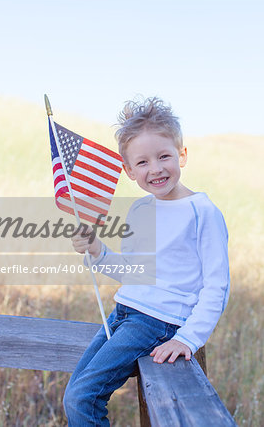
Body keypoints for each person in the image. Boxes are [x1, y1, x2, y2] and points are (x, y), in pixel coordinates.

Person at [63, 97, 230, 426]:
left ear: (182, 154)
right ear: (128, 170)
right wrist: (97, 250)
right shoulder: (140, 210)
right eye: (142, 162)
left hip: (157, 322)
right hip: (123, 314)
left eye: (164, 156)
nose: (155, 168)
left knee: (83, 397)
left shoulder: (203, 213)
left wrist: (188, 338)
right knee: (74, 393)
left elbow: (217, 286)